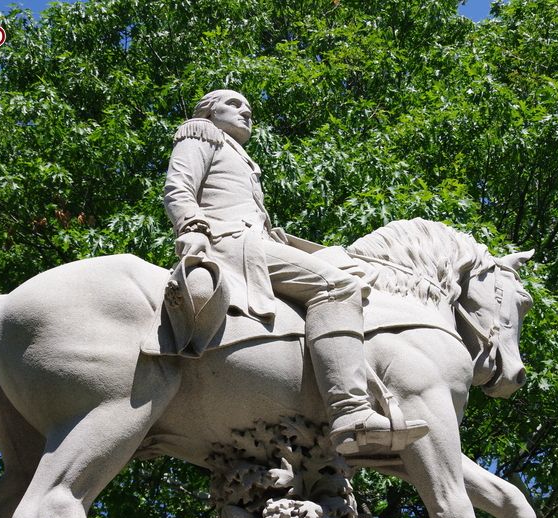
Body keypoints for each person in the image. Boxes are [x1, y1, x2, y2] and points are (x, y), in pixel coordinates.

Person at [163, 89, 427, 454]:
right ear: (209, 110)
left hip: (253, 241)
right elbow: (178, 187)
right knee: (337, 287)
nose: (245, 112)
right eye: (233, 104)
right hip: (229, 241)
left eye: (249, 109)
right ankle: (351, 412)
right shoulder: (201, 133)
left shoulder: (239, 154)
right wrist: (192, 227)